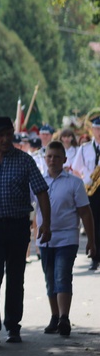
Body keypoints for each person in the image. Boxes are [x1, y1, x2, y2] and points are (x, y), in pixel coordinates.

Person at [0, 116, 51, 345]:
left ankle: (13, 327)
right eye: (0, 135)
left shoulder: (25, 161)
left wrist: (46, 223)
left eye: (9, 134)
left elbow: (42, 192)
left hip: (17, 226)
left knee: (16, 277)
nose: (5, 139)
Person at [35, 141, 96, 336]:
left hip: (67, 238)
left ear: (64, 160)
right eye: (49, 157)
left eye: (57, 157)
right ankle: (54, 316)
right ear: (45, 159)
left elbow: (86, 213)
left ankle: (64, 318)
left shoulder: (74, 183)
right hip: (45, 238)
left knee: (62, 276)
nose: (52, 160)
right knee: (50, 279)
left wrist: (92, 242)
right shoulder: (37, 182)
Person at [71, 116, 100, 271]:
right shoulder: (85, 148)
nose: (99, 132)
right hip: (92, 189)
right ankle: (95, 258)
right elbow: (76, 169)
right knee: (94, 222)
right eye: (97, 129)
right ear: (92, 130)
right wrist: (85, 181)